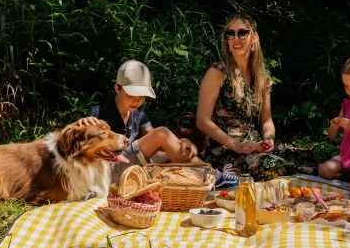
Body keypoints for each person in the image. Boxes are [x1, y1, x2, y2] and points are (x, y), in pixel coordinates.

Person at [78, 60, 239, 188]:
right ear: (117, 88)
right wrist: (80, 126)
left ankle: (202, 179)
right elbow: (79, 146)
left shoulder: (137, 112)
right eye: (132, 94)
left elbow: (155, 140)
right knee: (162, 134)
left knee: (170, 146)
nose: (137, 100)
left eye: (142, 96)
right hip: (107, 171)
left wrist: (181, 142)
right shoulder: (98, 114)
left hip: (130, 167)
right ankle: (211, 177)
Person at [196, 13, 316, 181]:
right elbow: (202, 120)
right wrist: (235, 145)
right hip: (223, 151)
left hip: (254, 147)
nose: (236, 38)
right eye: (230, 34)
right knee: (274, 167)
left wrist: (269, 140)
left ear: (254, 37)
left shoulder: (262, 77)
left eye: (242, 33)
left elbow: (266, 120)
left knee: (310, 158)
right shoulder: (217, 72)